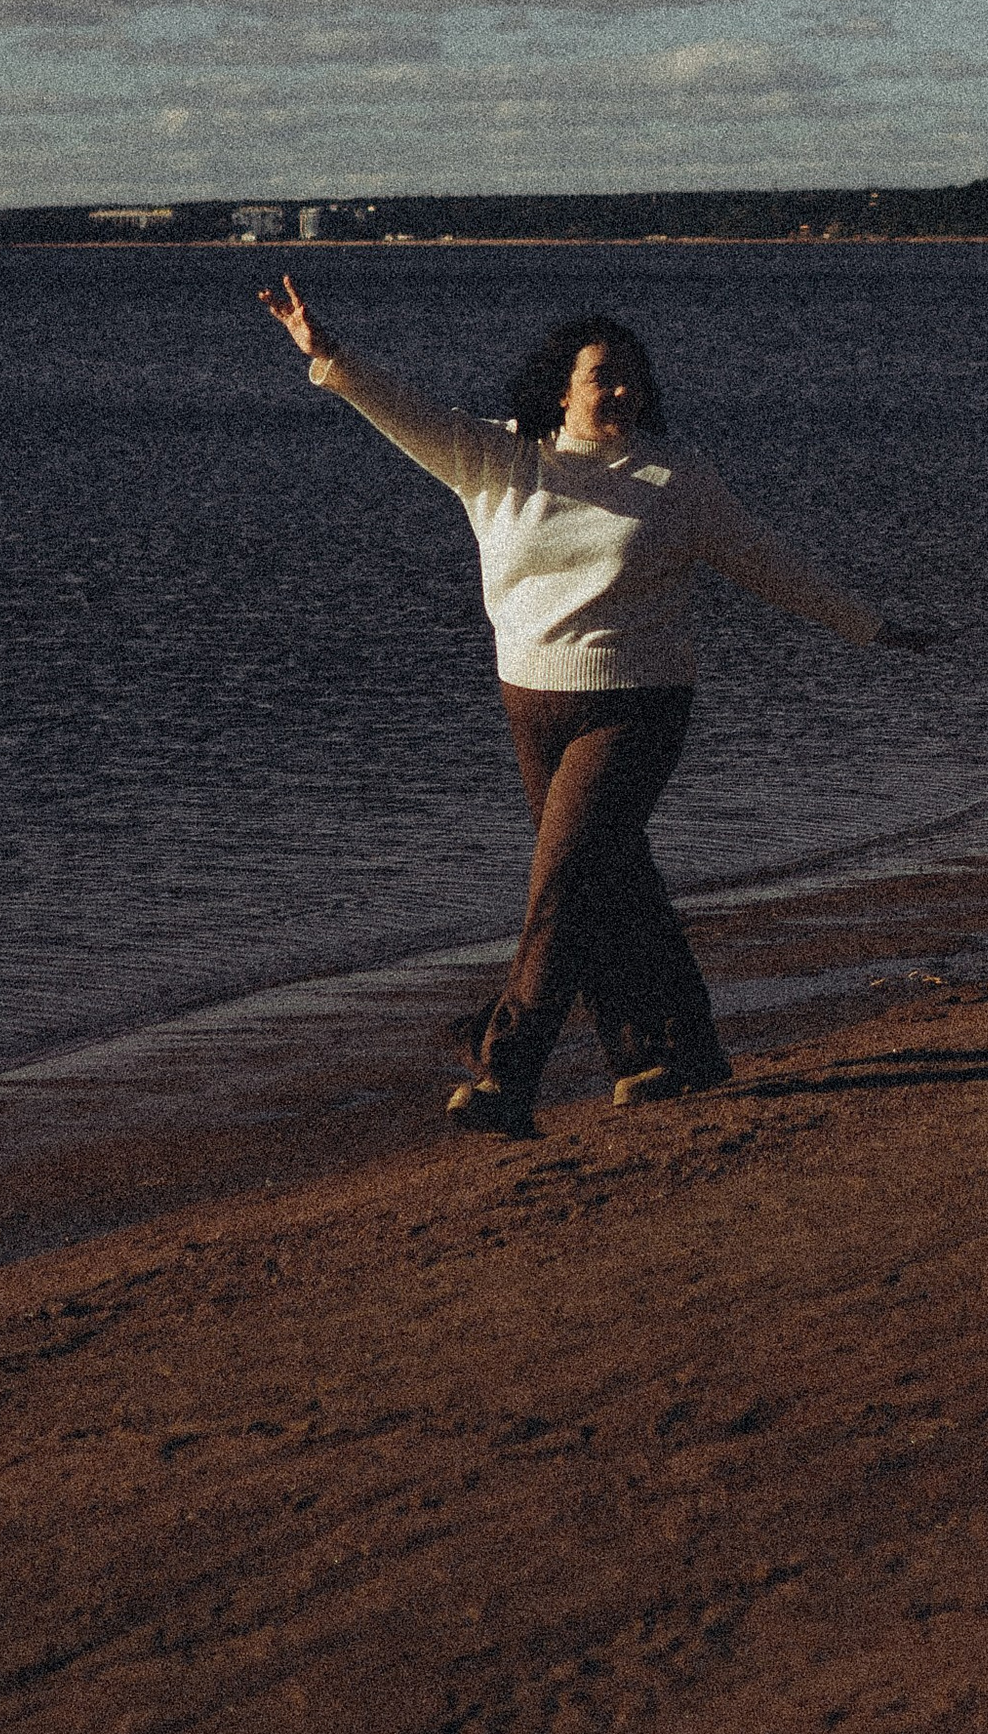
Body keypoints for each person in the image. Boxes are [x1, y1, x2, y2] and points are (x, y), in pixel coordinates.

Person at [258, 278, 929, 1139]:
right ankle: (670, 1048)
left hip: (639, 703)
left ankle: (505, 1071)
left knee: (566, 883)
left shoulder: (673, 478)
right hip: (532, 700)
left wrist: (868, 627)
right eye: (604, 374)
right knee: (612, 879)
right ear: (561, 386)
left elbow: (767, 561)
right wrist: (327, 355)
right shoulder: (498, 458)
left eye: (632, 375)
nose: (622, 390)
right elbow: (404, 409)